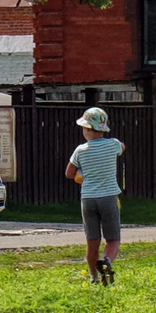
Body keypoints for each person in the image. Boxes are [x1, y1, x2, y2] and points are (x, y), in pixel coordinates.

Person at [65, 106, 125, 285]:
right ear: (102, 128)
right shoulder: (112, 144)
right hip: (109, 197)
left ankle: (94, 277)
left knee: (92, 241)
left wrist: (80, 175)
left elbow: (69, 173)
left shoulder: (80, 150)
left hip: (88, 198)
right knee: (113, 239)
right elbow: (122, 146)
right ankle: (106, 261)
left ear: (86, 129)